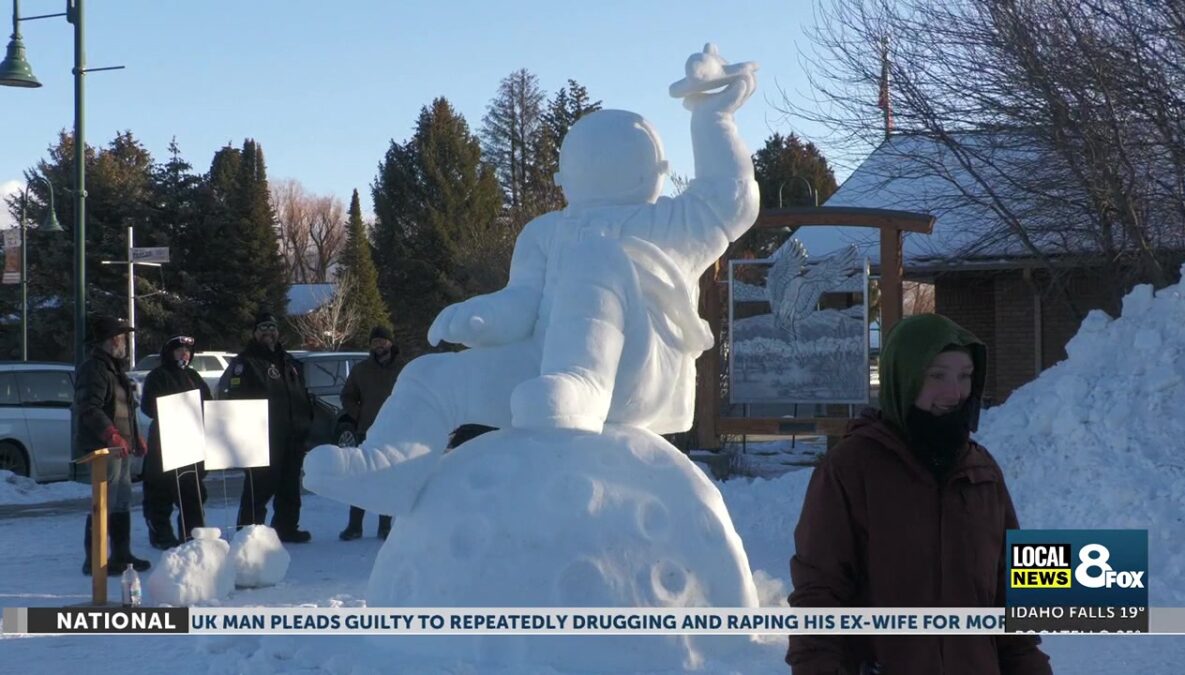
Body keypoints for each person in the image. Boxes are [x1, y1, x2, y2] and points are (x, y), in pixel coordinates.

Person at [305, 44, 761, 517]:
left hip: (635, 372)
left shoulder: (670, 223)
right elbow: (522, 302)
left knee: (595, 258)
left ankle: (582, 382)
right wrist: (481, 319)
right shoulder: (545, 232)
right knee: (430, 375)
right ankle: (391, 469)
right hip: (540, 381)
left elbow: (727, 200)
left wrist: (713, 117)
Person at [786, 313, 1053, 674]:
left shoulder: (982, 474)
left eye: (965, 376)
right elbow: (818, 597)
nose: (954, 393)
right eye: (936, 375)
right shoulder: (851, 469)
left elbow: (1011, 604)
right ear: (904, 377)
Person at [218, 311, 314, 543]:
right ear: (255, 333)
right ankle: (248, 532)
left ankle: (286, 527)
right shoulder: (245, 362)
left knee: (290, 486)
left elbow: (302, 395)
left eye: (272, 328)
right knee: (259, 487)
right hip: (261, 437)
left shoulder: (289, 361)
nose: (268, 332)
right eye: (263, 328)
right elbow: (231, 398)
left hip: (292, 434)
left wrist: (305, 424)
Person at [73, 315, 151, 575]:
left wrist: (134, 436)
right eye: (121, 337)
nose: (125, 342)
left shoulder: (115, 368)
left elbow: (126, 408)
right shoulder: (93, 368)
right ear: (110, 340)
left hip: (121, 446)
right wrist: (110, 434)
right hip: (103, 447)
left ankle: (121, 554)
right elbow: (89, 407)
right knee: (103, 501)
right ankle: (94, 560)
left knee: (121, 501)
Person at [140, 334, 212, 549]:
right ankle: (161, 535)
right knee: (159, 493)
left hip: (191, 442)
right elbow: (147, 407)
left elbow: (206, 403)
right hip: (163, 443)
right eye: (179, 350)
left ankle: (193, 535)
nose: (184, 354)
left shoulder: (193, 376)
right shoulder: (157, 376)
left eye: (187, 351)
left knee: (192, 493)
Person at [338, 326, 404, 541]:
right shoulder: (361, 369)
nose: (378, 345)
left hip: (395, 431)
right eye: (374, 341)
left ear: (391, 343)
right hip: (367, 431)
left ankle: (385, 526)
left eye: (382, 341)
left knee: (389, 480)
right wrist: (359, 414)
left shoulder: (404, 368)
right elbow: (347, 396)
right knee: (362, 478)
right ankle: (354, 526)